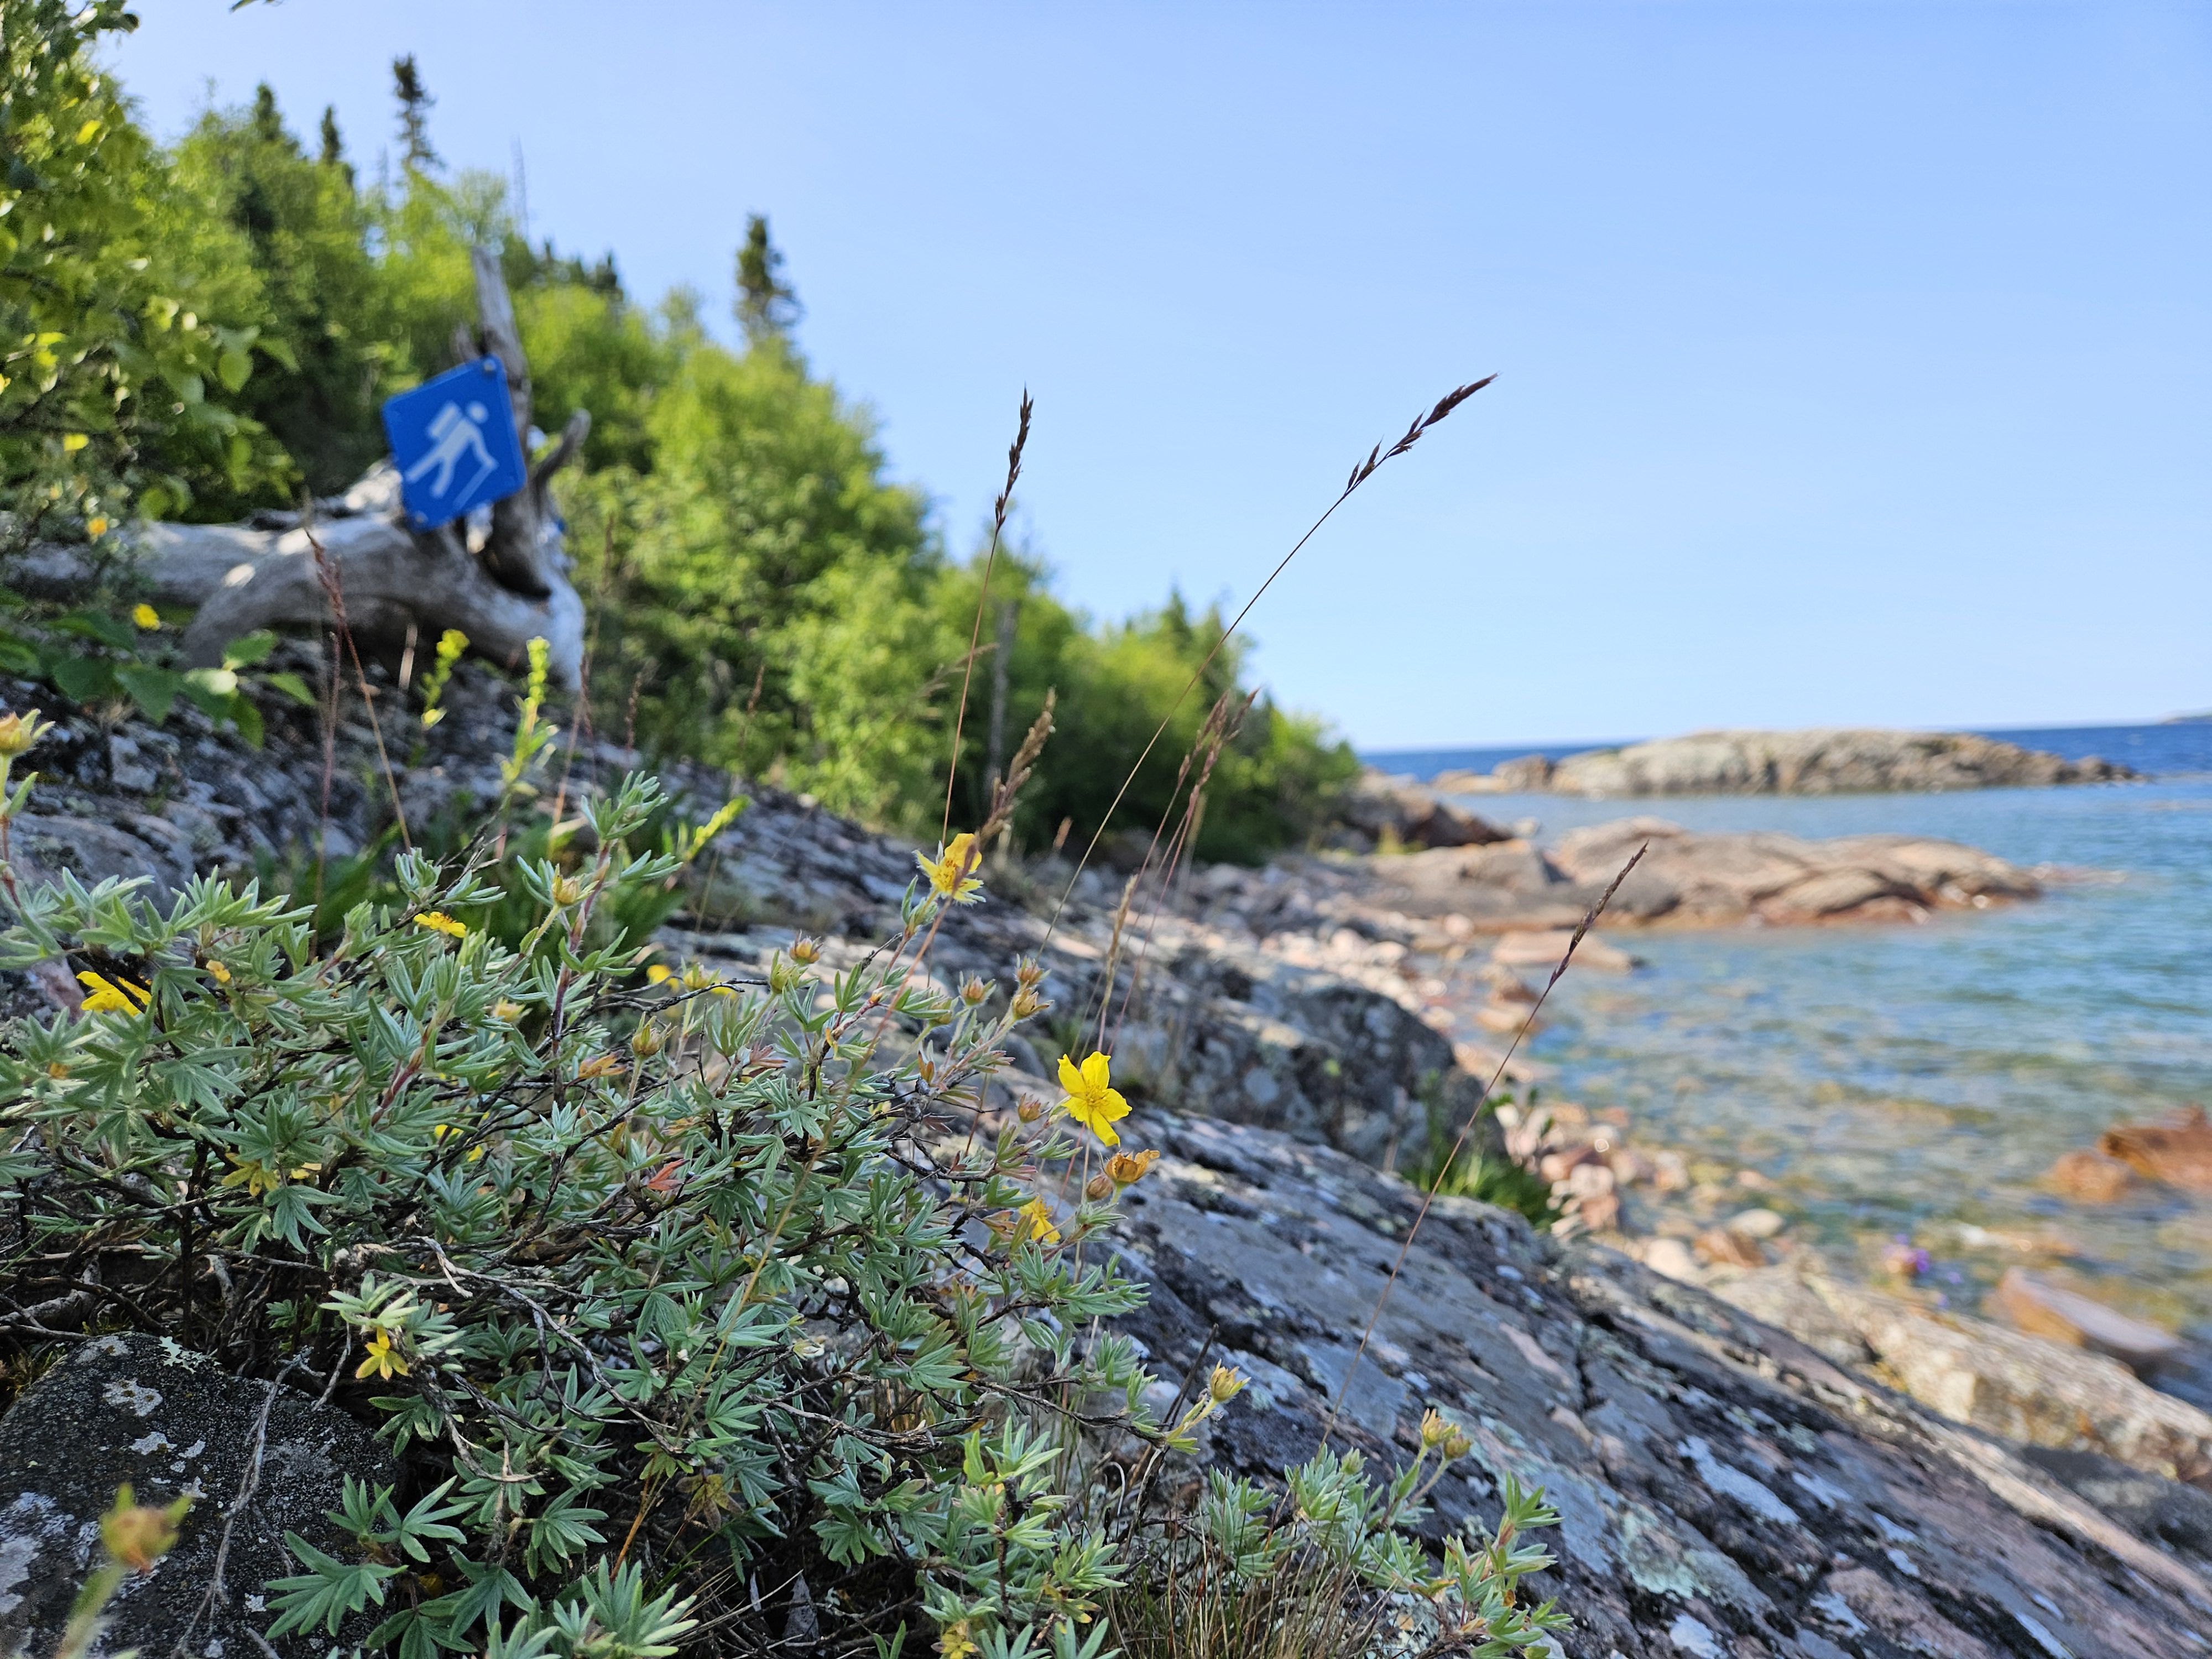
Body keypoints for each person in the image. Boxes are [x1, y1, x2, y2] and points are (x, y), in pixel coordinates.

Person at [405, 399, 498, 501]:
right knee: (441, 469)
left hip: (444, 449)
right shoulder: (473, 431)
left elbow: (479, 451)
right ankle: (434, 492)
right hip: (446, 451)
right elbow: (479, 451)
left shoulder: (463, 423)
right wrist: (488, 461)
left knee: (433, 464)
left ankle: (429, 489)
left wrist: (488, 460)